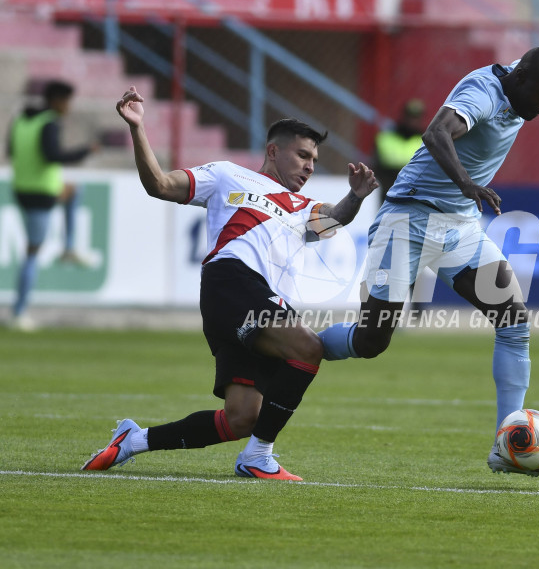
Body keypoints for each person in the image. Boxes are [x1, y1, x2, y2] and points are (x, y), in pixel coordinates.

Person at [318, 6, 539, 477]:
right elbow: (436, 131)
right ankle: (295, 345)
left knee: (514, 322)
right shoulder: (482, 94)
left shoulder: (526, 81)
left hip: (459, 228)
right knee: (371, 340)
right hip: (408, 220)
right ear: (522, 80)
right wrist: (467, 183)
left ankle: (506, 447)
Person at [81, 86, 378, 480]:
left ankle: (133, 441)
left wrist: (355, 197)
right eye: (302, 155)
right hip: (232, 283)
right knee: (308, 347)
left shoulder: (304, 208)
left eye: (314, 160)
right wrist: (138, 128)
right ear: (273, 151)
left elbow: (337, 217)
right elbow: (159, 185)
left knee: (241, 418)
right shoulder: (226, 175)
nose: (309, 166)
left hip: (257, 302)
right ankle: (259, 456)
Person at [6, 80, 98, 331]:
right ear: (57, 100)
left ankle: (68, 248)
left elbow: (11, 150)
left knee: (74, 191)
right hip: (41, 192)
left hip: (23, 188)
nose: (69, 107)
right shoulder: (50, 122)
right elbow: (52, 155)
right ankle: (18, 312)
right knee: (32, 253)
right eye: (68, 101)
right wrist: (84, 151)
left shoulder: (22, 119)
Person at [374, 98, 426, 202]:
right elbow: (377, 165)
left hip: (415, 193)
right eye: (410, 116)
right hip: (388, 189)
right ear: (404, 116)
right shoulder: (385, 137)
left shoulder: (425, 140)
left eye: (416, 117)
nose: (413, 121)